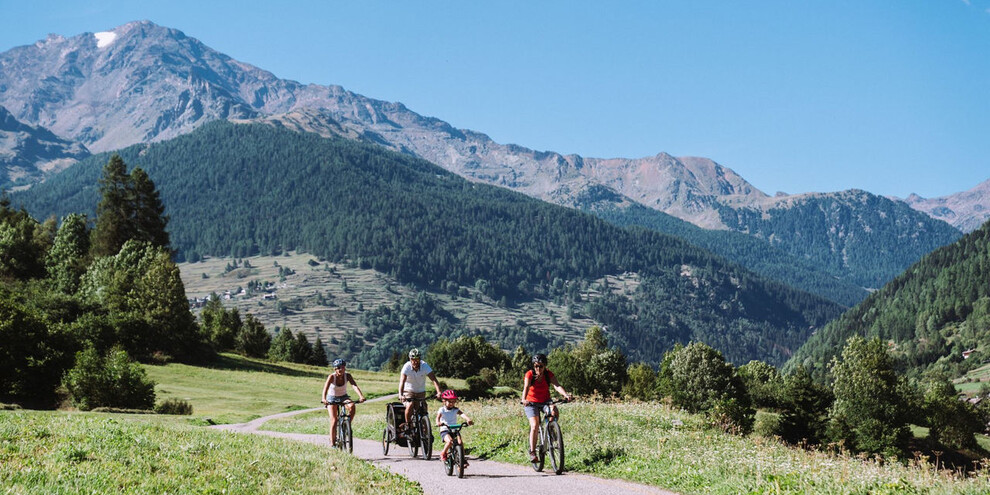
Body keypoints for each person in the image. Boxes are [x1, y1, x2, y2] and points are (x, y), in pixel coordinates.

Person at [520, 353, 573, 463]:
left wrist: (565, 395)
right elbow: (526, 387)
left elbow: (557, 385)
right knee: (534, 425)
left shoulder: (548, 374)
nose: (538, 368)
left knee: (554, 411)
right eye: (536, 366)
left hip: (545, 401)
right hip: (531, 403)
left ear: (545, 366)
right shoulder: (529, 374)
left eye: (540, 366)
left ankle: (551, 430)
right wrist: (524, 399)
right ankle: (533, 452)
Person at [321, 358, 366, 447]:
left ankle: (347, 425)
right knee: (334, 420)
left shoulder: (348, 376)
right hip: (331, 398)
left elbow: (354, 386)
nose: (340, 369)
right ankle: (333, 444)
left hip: (343, 397)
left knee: (352, 406)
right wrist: (324, 399)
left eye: (342, 367)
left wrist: (361, 396)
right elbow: (325, 388)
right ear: (335, 369)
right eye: (338, 368)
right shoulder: (331, 377)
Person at [398, 348, 443, 432]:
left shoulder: (424, 366)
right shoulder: (406, 366)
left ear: (420, 359)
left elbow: (434, 380)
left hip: (421, 392)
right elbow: (402, 381)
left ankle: (426, 433)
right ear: (410, 359)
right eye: (413, 359)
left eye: (417, 359)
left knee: (423, 410)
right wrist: (400, 394)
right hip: (408, 391)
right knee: (410, 405)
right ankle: (408, 426)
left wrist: (439, 392)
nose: (415, 362)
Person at [435, 389, 473, 464]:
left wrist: (468, 419)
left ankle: (462, 458)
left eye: (453, 402)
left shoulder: (455, 410)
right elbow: (438, 417)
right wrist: (438, 422)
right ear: (444, 401)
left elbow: (462, 414)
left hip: (454, 429)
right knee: (450, 442)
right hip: (445, 429)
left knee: (460, 442)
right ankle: (443, 453)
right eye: (449, 402)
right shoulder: (442, 410)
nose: (452, 404)